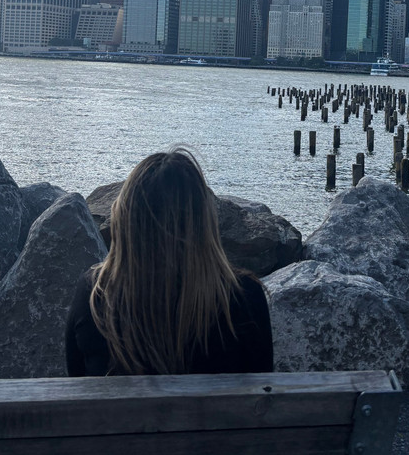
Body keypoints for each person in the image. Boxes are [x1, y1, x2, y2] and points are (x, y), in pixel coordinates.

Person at [66, 148, 273, 376]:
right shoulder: (244, 300)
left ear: (125, 221)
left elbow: (77, 378)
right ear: (204, 223)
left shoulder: (94, 298)